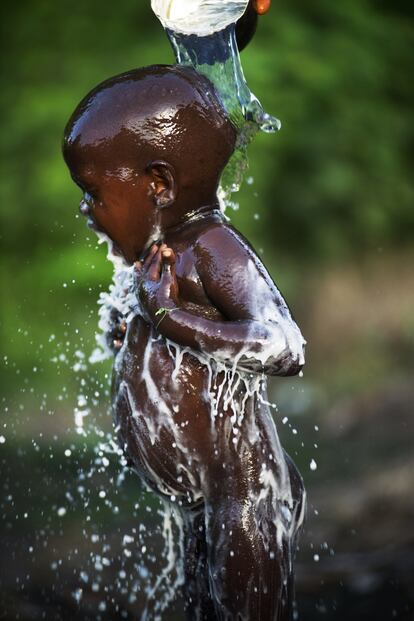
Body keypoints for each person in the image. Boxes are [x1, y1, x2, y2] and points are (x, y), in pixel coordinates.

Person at [63, 63, 305, 620]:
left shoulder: (212, 247)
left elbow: (284, 345)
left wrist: (169, 318)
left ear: (159, 185)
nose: (84, 209)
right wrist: (130, 333)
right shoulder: (159, 255)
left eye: (94, 192)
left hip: (247, 499)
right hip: (204, 504)